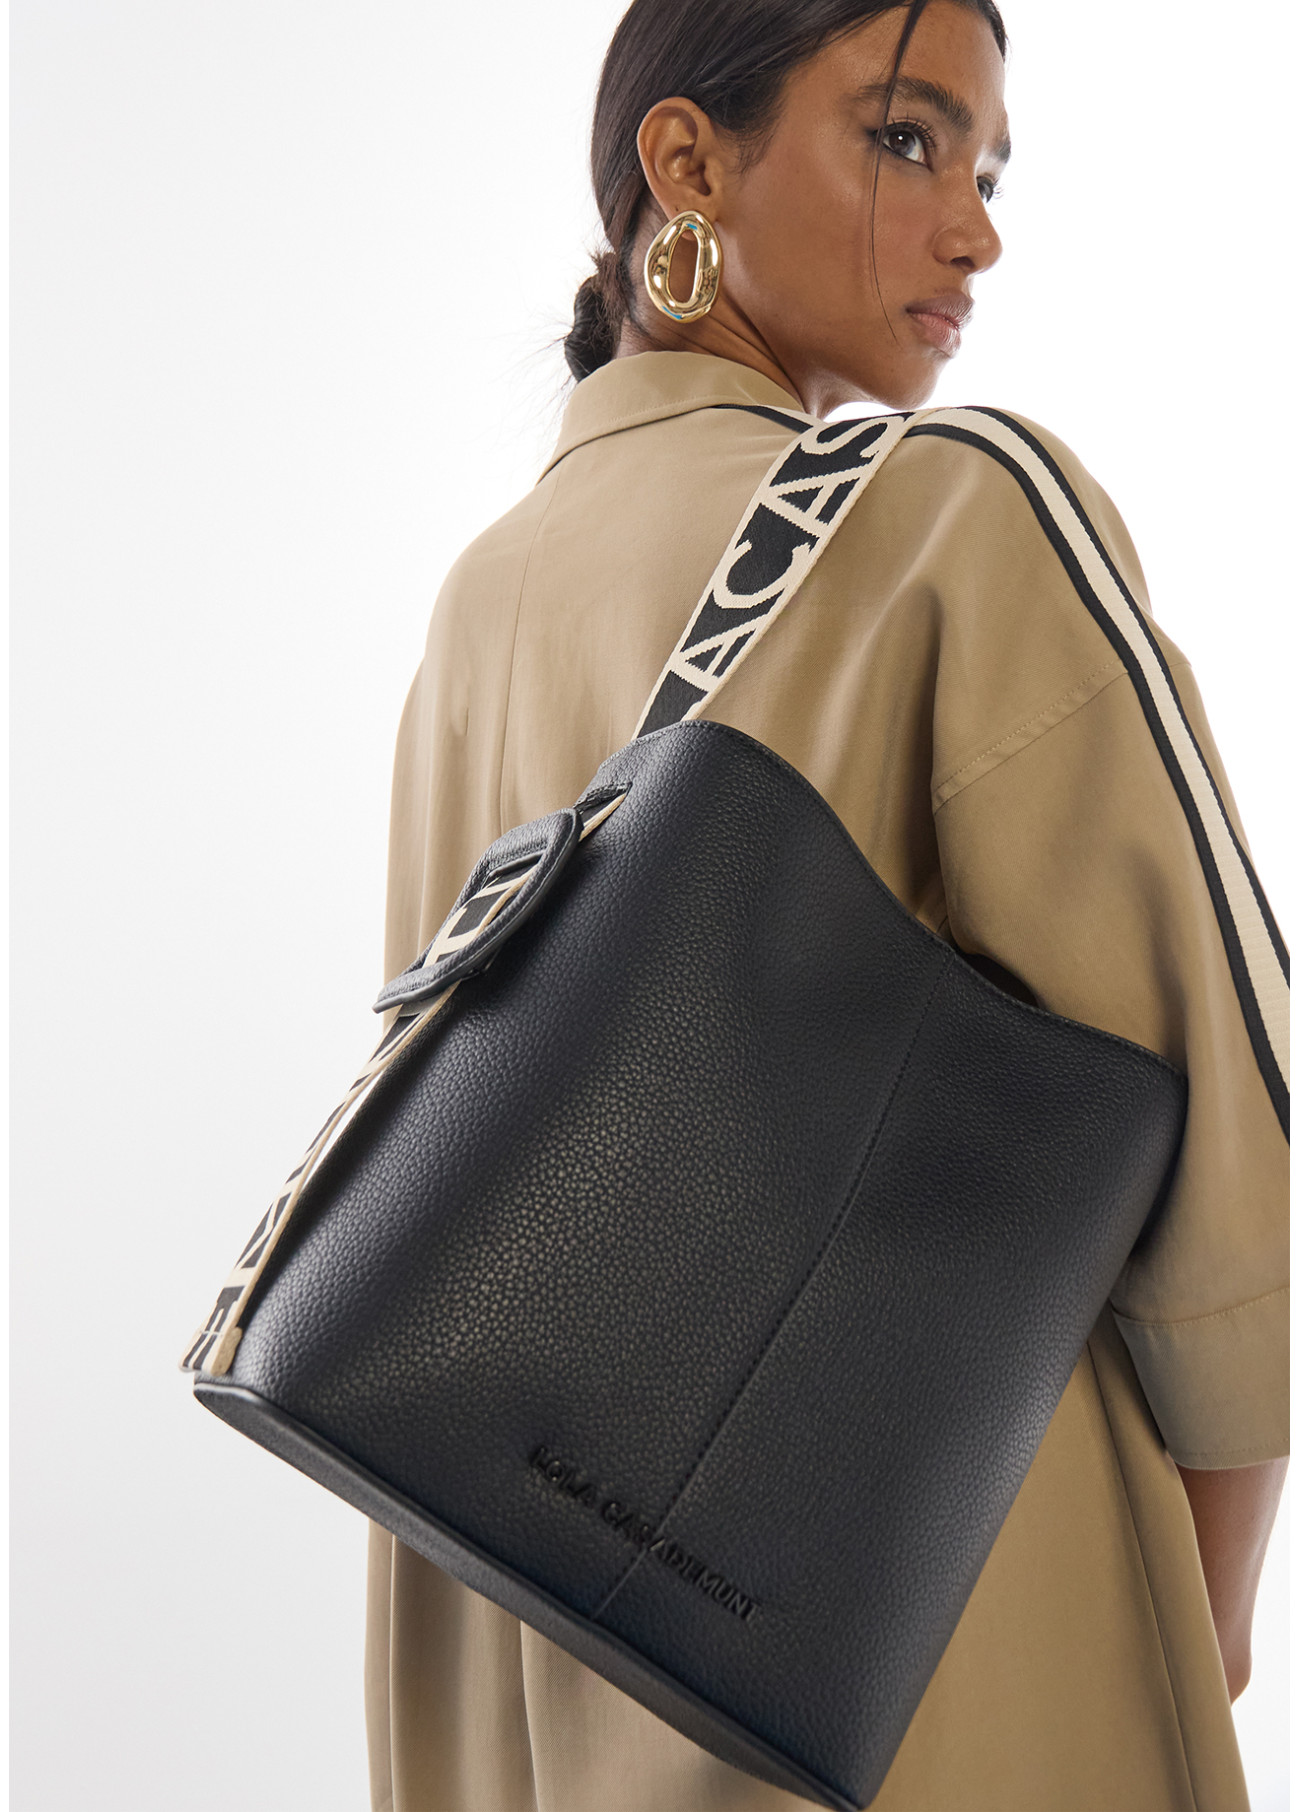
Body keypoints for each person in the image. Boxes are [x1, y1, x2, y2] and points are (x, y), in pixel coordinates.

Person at [364, 1, 1289, 1806]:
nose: (977, 231)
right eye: (906, 139)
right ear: (688, 165)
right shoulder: (954, 514)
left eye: (992, 171)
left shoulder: (481, 598)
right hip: (923, 1629)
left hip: (512, 1621)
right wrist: (1211, 1603)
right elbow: (1222, 1105)